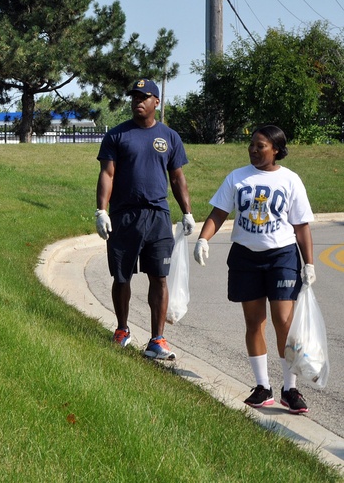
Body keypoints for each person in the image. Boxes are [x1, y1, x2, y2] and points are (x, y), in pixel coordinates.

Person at [193, 125, 315, 414]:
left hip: (282, 256)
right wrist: (202, 238)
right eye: (251, 145)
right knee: (254, 322)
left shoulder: (290, 180)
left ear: (276, 149)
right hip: (246, 257)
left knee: (284, 321)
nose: (253, 150)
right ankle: (263, 387)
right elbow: (219, 212)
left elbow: (301, 226)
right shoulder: (237, 177)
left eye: (260, 146)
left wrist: (309, 263)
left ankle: (290, 388)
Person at [96, 78, 195, 360]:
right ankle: (122, 330)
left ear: (156, 102)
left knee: (159, 277)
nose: (138, 101)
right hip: (124, 215)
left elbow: (177, 178)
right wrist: (101, 210)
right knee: (122, 276)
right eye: (134, 97)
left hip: (158, 216)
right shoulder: (117, 135)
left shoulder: (170, 137)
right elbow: (107, 174)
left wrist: (187, 212)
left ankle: (157, 339)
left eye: (144, 96)